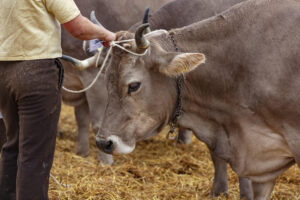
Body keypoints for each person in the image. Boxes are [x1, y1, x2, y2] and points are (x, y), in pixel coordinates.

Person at [0, 0, 116, 199]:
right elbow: (77, 28)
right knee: (35, 154)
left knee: (12, 145)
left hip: (3, 73)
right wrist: (107, 35)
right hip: (36, 73)